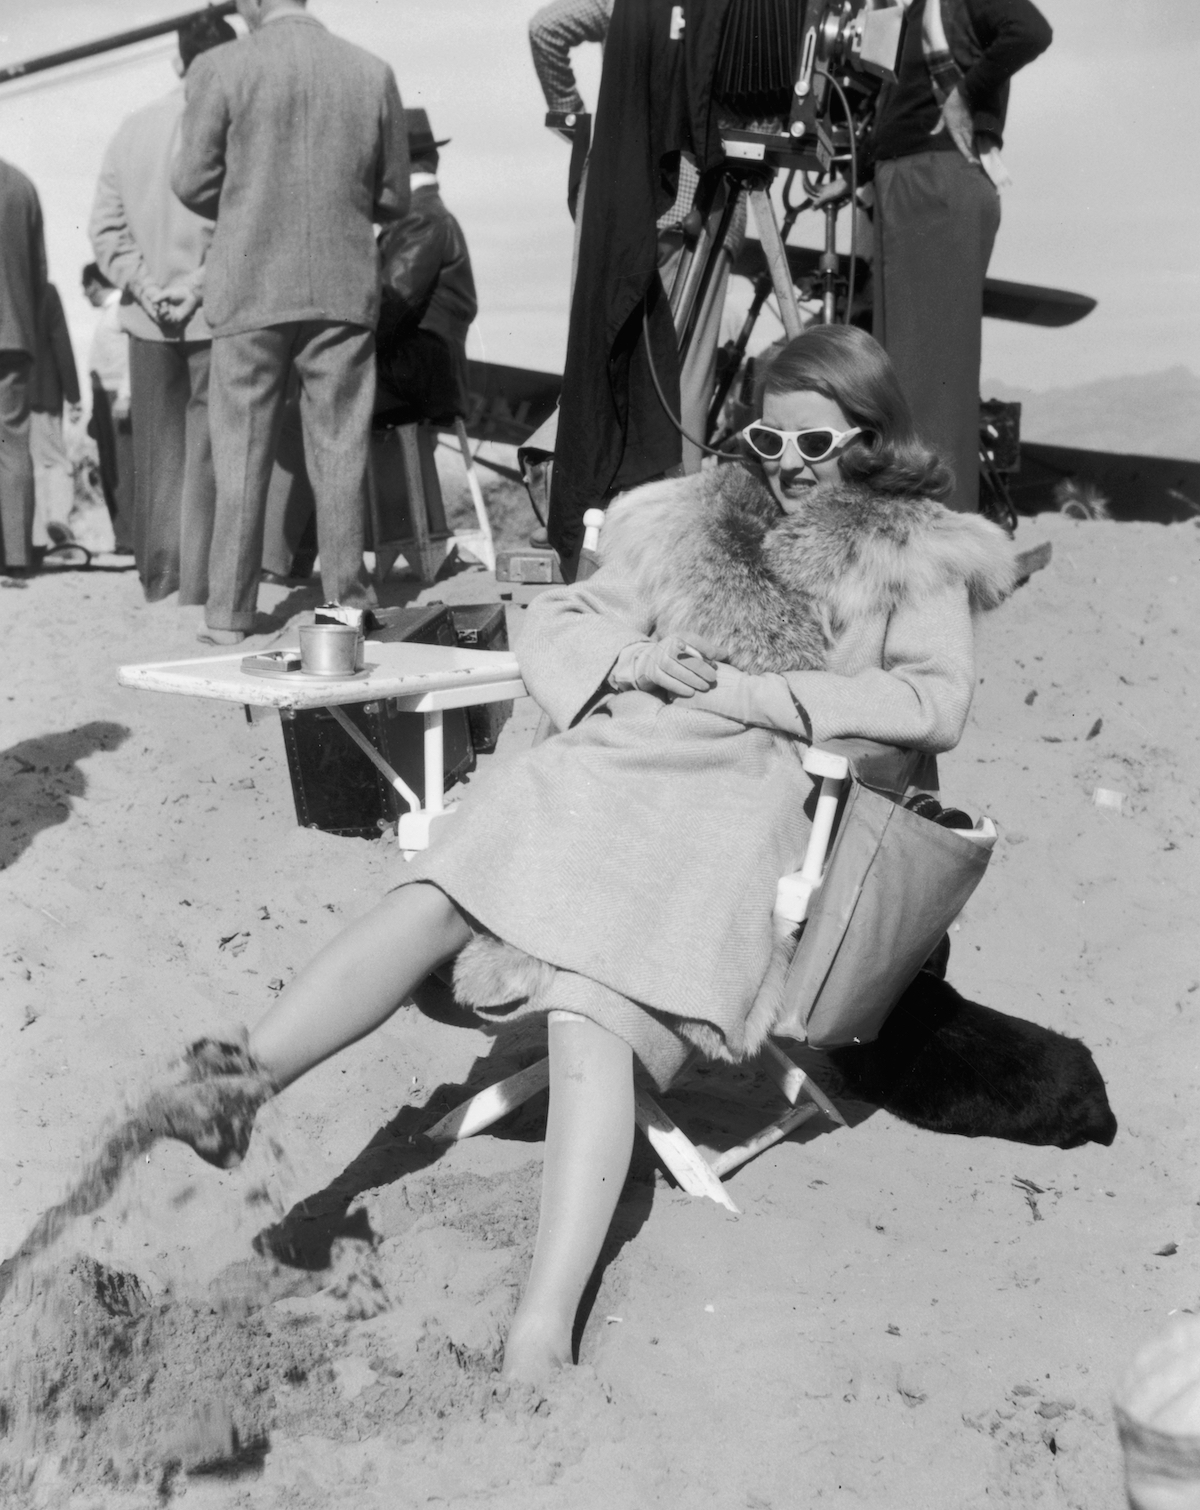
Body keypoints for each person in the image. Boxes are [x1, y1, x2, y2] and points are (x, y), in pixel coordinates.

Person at [152, 326, 1018, 1383]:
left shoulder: (914, 547)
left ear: (871, 437)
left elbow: (932, 702)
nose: (787, 468)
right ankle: (242, 1084)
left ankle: (541, 1324)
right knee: (443, 886)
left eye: (816, 446)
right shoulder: (687, 519)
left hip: (755, 796)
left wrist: (759, 696)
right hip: (620, 753)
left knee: (594, 1004)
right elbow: (560, 619)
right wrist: (633, 657)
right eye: (767, 441)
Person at [172, 0, 410, 645]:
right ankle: (347, 602)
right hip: (341, 285)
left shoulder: (221, 66)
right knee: (339, 448)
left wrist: (251, 190)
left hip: (249, 282)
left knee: (240, 449)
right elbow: (394, 197)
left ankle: (229, 613)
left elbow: (190, 179)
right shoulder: (371, 71)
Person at [868, 0, 1052, 511]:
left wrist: (967, 95)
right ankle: (910, 532)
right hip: (907, 183)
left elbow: (1030, 31)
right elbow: (899, 107)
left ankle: (939, 540)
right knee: (902, 377)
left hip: (937, 183)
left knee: (932, 383)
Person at [89, 8, 237, 606]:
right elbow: (244, 224)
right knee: (207, 452)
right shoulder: (231, 126)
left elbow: (105, 229)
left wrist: (146, 288)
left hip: (146, 319)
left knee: (154, 455)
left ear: (177, 59)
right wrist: (195, 285)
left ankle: (161, 577)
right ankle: (198, 584)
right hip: (210, 311)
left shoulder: (132, 128)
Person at [375, 109, 477, 428]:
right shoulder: (425, 216)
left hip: (415, 374)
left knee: (302, 381)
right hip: (425, 372)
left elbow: (391, 307)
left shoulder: (421, 220)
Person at [0, 157, 47, 576]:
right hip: (12, 335)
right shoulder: (21, 183)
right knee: (12, 445)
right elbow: (39, 273)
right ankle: (15, 556)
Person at [83, 262, 135, 557]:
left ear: (96, 283)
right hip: (103, 399)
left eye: (85, 286)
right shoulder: (107, 315)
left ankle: (132, 538)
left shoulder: (122, 310)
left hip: (118, 398)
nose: (84, 294)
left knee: (124, 468)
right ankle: (122, 537)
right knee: (109, 468)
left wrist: (125, 396)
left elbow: (132, 356)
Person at [28, 282, 82, 558]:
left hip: (9, 393)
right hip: (43, 392)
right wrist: (74, 394)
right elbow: (61, 341)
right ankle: (58, 520)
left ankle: (32, 536)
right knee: (54, 462)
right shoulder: (45, 291)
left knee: (22, 465)